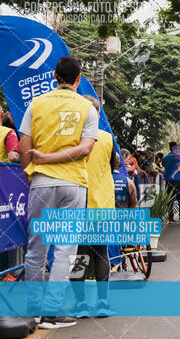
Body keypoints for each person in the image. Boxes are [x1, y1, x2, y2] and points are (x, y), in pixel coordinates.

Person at [19, 55, 98, 329]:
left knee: (35, 249)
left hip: (41, 183)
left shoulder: (36, 103)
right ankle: (52, 314)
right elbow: (86, 148)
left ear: (55, 77)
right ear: (79, 79)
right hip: (74, 184)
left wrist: (36, 169)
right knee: (65, 250)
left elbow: (24, 147)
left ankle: (33, 311)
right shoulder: (88, 108)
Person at [71, 95, 116, 318]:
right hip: (101, 206)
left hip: (76, 205)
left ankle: (79, 305)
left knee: (78, 256)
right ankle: (102, 303)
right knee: (100, 254)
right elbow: (114, 164)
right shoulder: (107, 138)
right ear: (98, 115)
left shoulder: (71, 138)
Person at [163, 141, 180, 223]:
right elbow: (179, 168)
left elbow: (164, 167)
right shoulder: (176, 156)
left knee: (170, 199)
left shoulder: (165, 157)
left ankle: (170, 217)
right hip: (177, 181)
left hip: (168, 181)